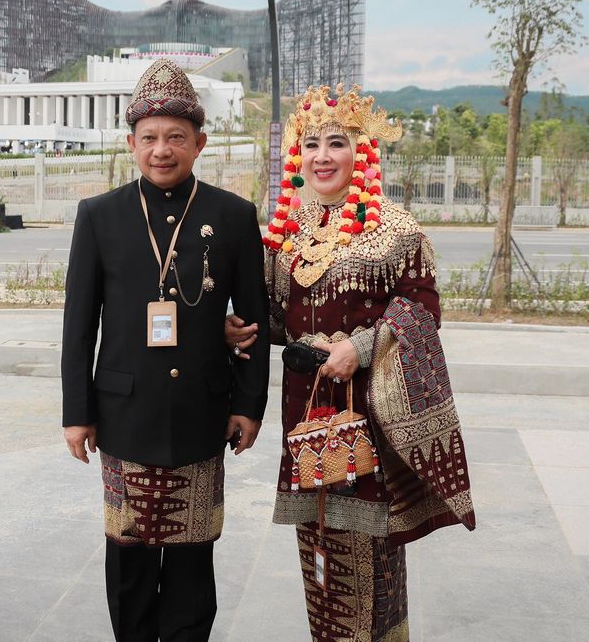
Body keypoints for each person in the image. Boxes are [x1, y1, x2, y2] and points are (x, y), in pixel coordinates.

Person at [227, 84, 476, 641]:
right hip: (306, 415)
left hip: (369, 413)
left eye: (335, 143)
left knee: (371, 557)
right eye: (310, 143)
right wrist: (231, 327)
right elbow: (272, 318)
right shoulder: (288, 233)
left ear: (360, 151)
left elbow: (421, 311)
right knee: (318, 552)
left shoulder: (396, 229)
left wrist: (360, 347)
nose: (321, 156)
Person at [62, 58, 270, 642]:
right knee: (128, 565)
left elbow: (253, 324)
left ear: (200, 142)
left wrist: (249, 405)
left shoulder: (232, 216)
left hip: (203, 415)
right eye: (150, 137)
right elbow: (79, 326)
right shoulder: (98, 217)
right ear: (130, 142)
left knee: (191, 566)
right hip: (124, 416)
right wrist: (77, 413)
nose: (162, 150)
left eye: (176, 137)